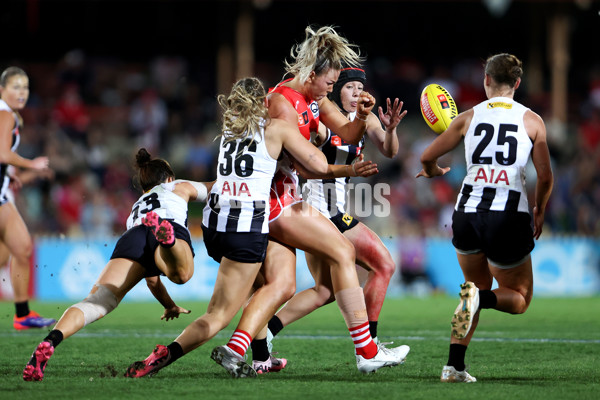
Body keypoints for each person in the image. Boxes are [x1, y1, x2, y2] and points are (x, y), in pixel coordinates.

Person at [123, 76, 376, 378]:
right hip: (245, 224)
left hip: (213, 224)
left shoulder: (229, 132)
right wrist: (350, 168)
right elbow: (319, 165)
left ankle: (261, 355)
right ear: (264, 103)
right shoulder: (277, 128)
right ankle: (226, 350)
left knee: (261, 287)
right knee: (267, 292)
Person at [219, 26, 409, 377]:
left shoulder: (313, 98)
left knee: (287, 286)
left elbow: (347, 133)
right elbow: (312, 167)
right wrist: (348, 167)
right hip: (277, 201)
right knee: (344, 255)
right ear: (311, 74)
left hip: (286, 200)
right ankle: (367, 350)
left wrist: (364, 116)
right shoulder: (283, 104)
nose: (332, 91)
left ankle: (246, 350)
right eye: (331, 83)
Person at [415, 53, 553, 383]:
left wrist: (433, 172)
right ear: (518, 83)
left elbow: (426, 156)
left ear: (486, 80)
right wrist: (541, 209)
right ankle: (480, 300)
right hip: (508, 214)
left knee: (472, 287)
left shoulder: (467, 117)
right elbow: (545, 176)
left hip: (467, 213)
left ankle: (453, 366)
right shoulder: (532, 121)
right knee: (519, 298)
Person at [259, 66, 408, 362]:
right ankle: (370, 347)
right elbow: (304, 155)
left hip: (328, 212)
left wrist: (390, 131)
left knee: (324, 291)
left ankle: (264, 335)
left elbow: (390, 151)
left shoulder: (365, 119)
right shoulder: (319, 118)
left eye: (359, 88)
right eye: (348, 87)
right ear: (334, 90)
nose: (356, 93)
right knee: (384, 264)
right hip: (320, 211)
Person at [23, 148, 209, 381]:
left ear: (144, 187)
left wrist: (169, 305)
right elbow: (217, 188)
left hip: (134, 234)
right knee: (182, 275)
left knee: (97, 302)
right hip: (166, 223)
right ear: (169, 178)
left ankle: (50, 341)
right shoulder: (177, 186)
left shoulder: (136, 207)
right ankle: (169, 240)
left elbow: (151, 279)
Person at [0, 67, 56, 330]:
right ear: (2, 90)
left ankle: (22, 315)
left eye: (25, 87)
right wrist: (30, 164)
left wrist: (10, 174)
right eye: (15, 87)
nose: (21, 92)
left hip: (3, 195)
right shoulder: (5, 114)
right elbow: (2, 153)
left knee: (22, 248)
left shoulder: (7, 114)